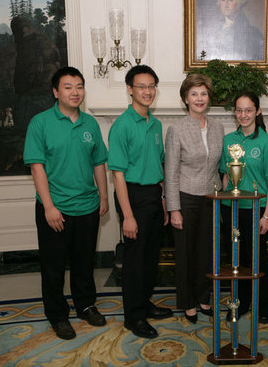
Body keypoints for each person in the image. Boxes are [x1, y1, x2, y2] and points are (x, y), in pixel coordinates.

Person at [23, 67, 108, 340]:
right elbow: (37, 167)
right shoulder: (40, 123)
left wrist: (103, 197)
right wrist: (48, 207)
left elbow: (98, 163)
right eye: (68, 87)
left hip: (88, 206)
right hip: (55, 207)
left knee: (84, 263)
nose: (75, 92)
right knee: (54, 266)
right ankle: (57, 315)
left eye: (80, 86)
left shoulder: (90, 124)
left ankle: (85, 305)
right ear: (56, 92)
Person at [108, 65, 173, 339]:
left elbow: (159, 164)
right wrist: (128, 215)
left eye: (151, 87)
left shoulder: (155, 124)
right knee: (134, 261)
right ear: (129, 89)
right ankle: (133, 316)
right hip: (131, 195)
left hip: (152, 196)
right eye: (141, 87)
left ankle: (144, 303)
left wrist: (163, 199)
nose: (147, 92)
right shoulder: (121, 126)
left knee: (150, 257)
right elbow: (118, 174)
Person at [165, 74, 224, 323]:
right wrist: (174, 209)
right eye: (194, 94)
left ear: (209, 98)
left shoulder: (218, 127)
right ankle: (187, 301)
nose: (199, 98)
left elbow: (219, 167)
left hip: (211, 198)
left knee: (207, 253)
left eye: (203, 93)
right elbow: (170, 172)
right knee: (186, 253)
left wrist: (221, 201)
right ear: (185, 99)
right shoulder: (176, 129)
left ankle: (203, 297)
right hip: (186, 199)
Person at [220, 92, 268, 324]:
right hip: (230, 208)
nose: (243, 115)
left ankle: (265, 304)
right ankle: (241, 302)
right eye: (239, 110)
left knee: (257, 259)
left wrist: (266, 215)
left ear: (257, 111)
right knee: (236, 260)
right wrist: (222, 207)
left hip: (256, 209)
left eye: (248, 110)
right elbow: (225, 177)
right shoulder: (228, 141)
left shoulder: (266, 142)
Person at [197, 0, 264, 61]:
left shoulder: (253, 33)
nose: (225, 5)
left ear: (239, 3)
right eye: (223, 0)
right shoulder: (213, 30)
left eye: (230, 0)